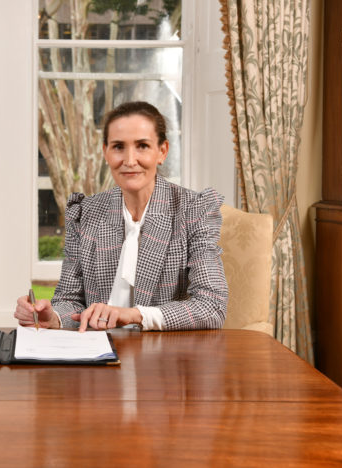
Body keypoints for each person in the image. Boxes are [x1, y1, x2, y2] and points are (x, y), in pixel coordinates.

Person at [15, 101, 227, 332]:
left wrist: (133, 315)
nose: (129, 160)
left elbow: (212, 306)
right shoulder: (86, 212)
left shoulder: (194, 210)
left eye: (142, 146)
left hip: (165, 358)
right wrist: (53, 317)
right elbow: (70, 299)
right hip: (97, 355)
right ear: (105, 152)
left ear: (162, 151)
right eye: (118, 147)